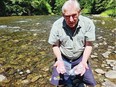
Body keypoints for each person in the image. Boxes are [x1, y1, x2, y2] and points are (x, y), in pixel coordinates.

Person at [48, 0, 96, 87]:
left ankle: (78, 80)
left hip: (80, 58)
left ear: (79, 12)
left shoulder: (88, 23)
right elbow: (55, 45)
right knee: (55, 80)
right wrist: (59, 60)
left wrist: (84, 62)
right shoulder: (56, 25)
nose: (71, 20)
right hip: (63, 58)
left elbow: (89, 44)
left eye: (74, 15)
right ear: (63, 15)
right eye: (67, 16)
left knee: (91, 83)